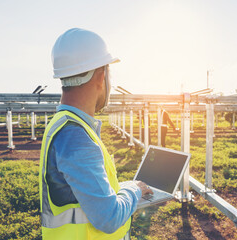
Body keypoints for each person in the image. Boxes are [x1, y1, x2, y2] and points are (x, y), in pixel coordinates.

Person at [39, 28, 152, 240]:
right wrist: (134, 191)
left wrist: (125, 187)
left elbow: (84, 194)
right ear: (101, 76)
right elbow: (108, 218)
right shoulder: (76, 137)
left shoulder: (63, 124)